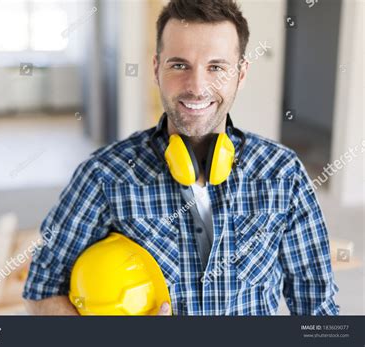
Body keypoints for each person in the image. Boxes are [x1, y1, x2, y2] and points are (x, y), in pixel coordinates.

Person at [23, 0, 338, 315]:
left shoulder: (282, 173)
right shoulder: (104, 175)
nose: (197, 87)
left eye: (216, 67)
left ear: (240, 74)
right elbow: (41, 294)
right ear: (156, 69)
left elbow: (319, 310)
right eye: (179, 65)